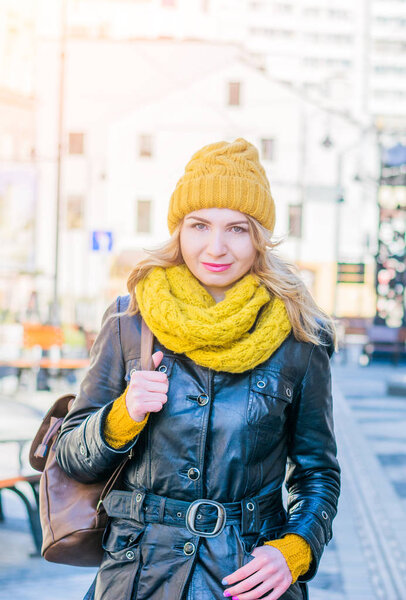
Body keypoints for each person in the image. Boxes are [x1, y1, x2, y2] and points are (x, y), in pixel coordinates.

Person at [56, 138, 341, 600]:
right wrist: (124, 413)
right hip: (139, 577)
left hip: (246, 577)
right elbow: (70, 455)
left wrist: (297, 548)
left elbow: (318, 472)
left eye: (237, 229)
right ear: (179, 231)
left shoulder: (300, 335)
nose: (216, 246)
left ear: (260, 237)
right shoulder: (130, 321)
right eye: (199, 225)